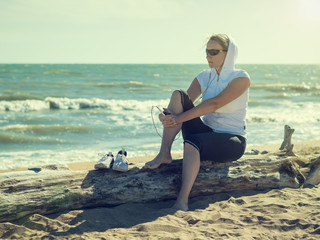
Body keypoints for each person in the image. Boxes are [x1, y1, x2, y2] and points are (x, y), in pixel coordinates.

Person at [144, 34, 250, 211]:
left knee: (193, 141)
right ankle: (164, 154)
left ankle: (182, 201)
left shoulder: (240, 78)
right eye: (207, 52)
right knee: (178, 95)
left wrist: (178, 119)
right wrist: (168, 115)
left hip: (231, 141)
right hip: (206, 131)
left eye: (214, 52)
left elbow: (213, 104)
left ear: (228, 53)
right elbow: (184, 103)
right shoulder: (204, 76)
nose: (208, 56)